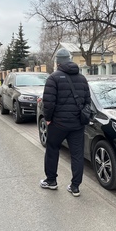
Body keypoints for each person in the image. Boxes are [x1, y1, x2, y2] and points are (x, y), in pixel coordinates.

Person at [40, 48, 91, 197]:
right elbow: (88, 101)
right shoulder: (82, 78)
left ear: (58, 62)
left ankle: (51, 181)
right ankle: (75, 187)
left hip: (58, 124)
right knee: (77, 154)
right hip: (77, 125)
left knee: (52, 150)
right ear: (70, 60)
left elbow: (49, 103)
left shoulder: (53, 78)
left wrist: (48, 118)